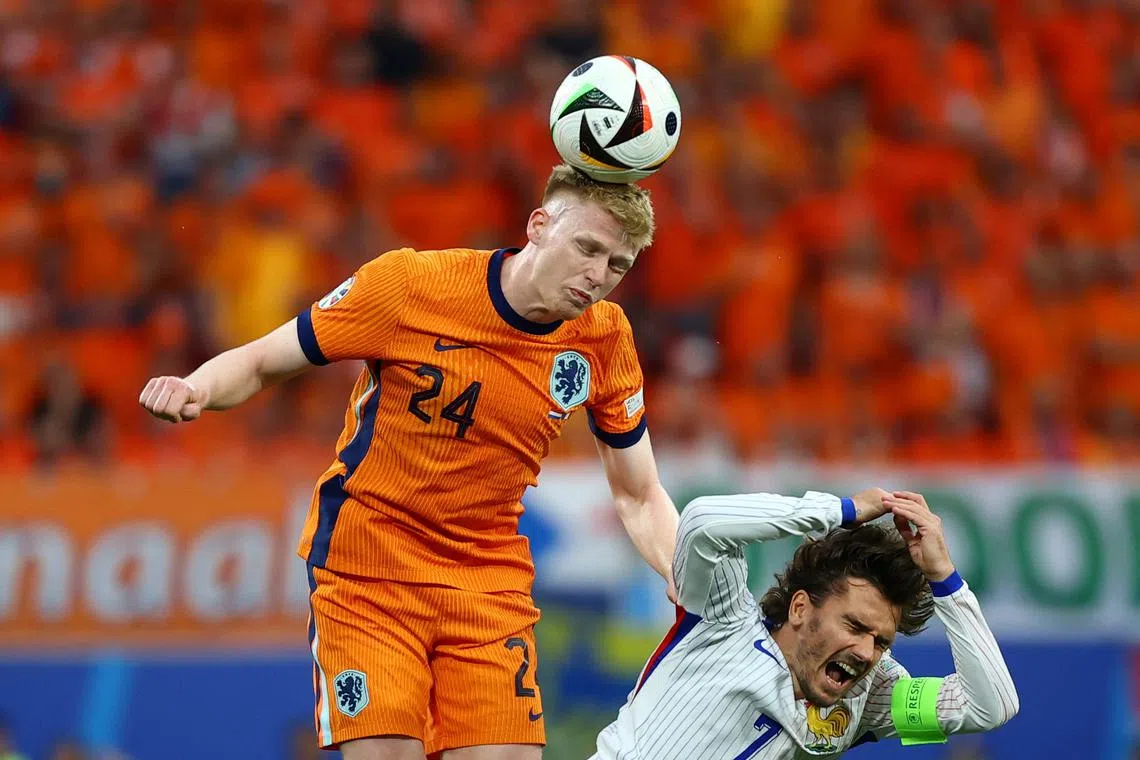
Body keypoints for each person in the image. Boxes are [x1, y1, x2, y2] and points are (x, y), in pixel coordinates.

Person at [139, 165, 679, 760]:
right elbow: (266, 361)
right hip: (369, 569)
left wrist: (690, 582)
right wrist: (195, 388)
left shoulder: (604, 338)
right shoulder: (411, 285)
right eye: (588, 249)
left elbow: (638, 494)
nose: (597, 277)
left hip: (486, 582)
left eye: (617, 266)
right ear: (539, 225)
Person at [592, 489, 1019, 759]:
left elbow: (991, 704)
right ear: (800, 608)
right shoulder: (721, 623)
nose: (867, 653)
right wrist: (841, 510)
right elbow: (704, 522)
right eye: (854, 626)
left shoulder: (867, 700)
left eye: (881, 642)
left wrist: (945, 578)